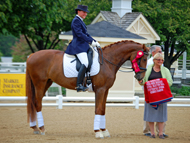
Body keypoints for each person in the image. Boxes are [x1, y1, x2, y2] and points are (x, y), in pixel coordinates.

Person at [65, 5, 100, 92]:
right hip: (78, 46)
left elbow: (86, 34)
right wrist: (90, 42)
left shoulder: (80, 21)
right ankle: (79, 85)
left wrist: (94, 41)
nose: (85, 14)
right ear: (78, 11)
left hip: (83, 45)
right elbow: (80, 34)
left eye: (86, 12)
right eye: (84, 12)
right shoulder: (76, 21)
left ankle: (88, 80)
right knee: (85, 62)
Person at [139, 53, 173, 139]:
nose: (160, 61)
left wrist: (159, 83)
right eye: (158, 60)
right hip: (151, 96)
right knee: (150, 115)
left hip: (161, 96)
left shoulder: (165, 70)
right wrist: (141, 82)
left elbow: (170, 82)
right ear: (154, 60)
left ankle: (161, 133)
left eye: (162, 60)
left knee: (161, 115)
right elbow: (144, 81)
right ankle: (152, 133)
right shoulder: (148, 69)